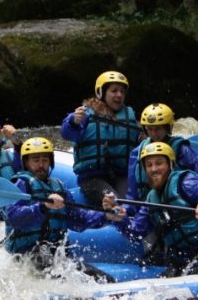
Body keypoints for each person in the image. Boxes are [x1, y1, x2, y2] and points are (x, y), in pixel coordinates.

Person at [112, 141, 198, 277]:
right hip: (184, 258)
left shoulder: (186, 183)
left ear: (170, 165)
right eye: (149, 165)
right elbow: (135, 234)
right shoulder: (151, 200)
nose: (154, 169)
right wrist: (118, 218)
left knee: (189, 276)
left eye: (159, 163)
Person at [4, 138, 124, 270]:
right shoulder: (21, 184)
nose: (41, 165)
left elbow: (79, 219)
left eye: (45, 160)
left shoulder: (59, 188)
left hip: (56, 256)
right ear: (26, 163)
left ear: (50, 162)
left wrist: (105, 215)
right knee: (50, 268)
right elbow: (13, 218)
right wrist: (42, 207)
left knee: (99, 277)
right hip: (26, 257)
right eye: (36, 160)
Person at [60, 70, 143, 204]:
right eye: (114, 91)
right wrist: (73, 121)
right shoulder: (85, 114)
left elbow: (143, 143)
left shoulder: (130, 116)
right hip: (92, 178)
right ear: (101, 92)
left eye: (122, 91)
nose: (119, 95)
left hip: (121, 175)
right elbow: (67, 133)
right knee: (115, 201)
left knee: (132, 202)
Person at [124, 102, 198, 211]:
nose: (154, 134)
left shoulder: (183, 151)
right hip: (148, 210)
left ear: (168, 127)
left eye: (158, 128)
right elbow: (132, 194)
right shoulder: (137, 153)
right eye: (150, 129)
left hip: (178, 208)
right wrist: (122, 211)